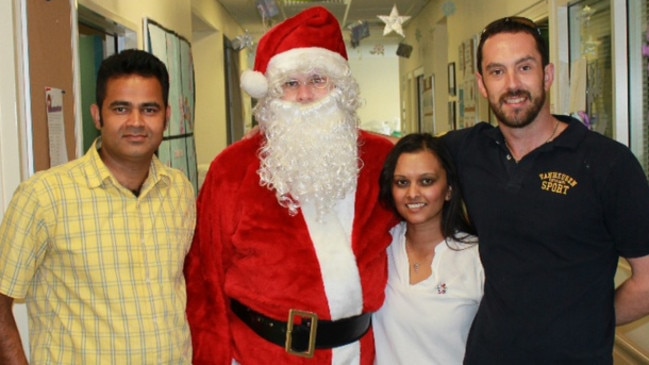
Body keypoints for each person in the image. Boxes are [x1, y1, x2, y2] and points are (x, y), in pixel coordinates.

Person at [183, 6, 397, 365]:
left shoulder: (382, 159)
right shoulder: (232, 169)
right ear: (271, 94)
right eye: (290, 84)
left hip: (358, 353)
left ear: (340, 87)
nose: (304, 95)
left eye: (317, 80)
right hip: (259, 354)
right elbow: (205, 278)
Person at [440, 17, 649, 364]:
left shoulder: (607, 163)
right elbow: (397, 166)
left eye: (524, 67)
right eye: (497, 72)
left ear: (547, 75)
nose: (512, 84)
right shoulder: (468, 151)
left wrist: (589, 318)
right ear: (481, 84)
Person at [0, 49, 196, 364]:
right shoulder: (44, 196)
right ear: (97, 115)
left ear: (167, 117)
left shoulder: (179, 191)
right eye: (121, 108)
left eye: (149, 109)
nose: (136, 122)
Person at [372, 133, 483, 364]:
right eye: (402, 182)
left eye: (426, 181)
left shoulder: (477, 258)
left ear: (449, 189)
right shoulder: (379, 247)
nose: (413, 193)